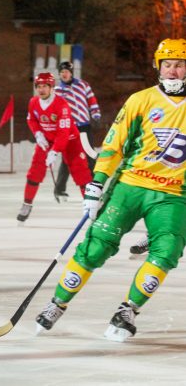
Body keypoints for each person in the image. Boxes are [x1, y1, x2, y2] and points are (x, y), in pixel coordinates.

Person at [35, 38, 186, 342]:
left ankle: (128, 310)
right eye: (167, 65)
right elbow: (114, 145)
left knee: (168, 250)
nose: (172, 71)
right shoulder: (140, 100)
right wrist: (96, 183)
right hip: (130, 185)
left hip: (173, 195)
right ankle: (57, 303)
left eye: (179, 65)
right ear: (158, 67)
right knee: (96, 245)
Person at [17, 72, 92, 224]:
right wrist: (38, 134)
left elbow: (64, 133)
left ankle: (91, 206)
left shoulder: (61, 105)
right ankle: (27, 204)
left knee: (81, 172)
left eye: (45, 86)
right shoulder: (33, 102)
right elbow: (32, 120)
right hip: (46, 140)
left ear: (51, 87)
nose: (41, 89)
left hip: (70, 140)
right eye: (38, 86)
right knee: (35, 171)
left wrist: (55, 151)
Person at [54, 61, 101, 200]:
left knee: (90, 155)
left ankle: (93, 187)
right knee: (68, 160)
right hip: (69, 129)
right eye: (62, 72)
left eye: (67, 72)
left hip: (84, 126)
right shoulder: (57, 91)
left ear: (71, 72)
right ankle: (59, 189)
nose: (64, 74)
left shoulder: (83, 85)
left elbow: (91, 100)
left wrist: (96, 115)